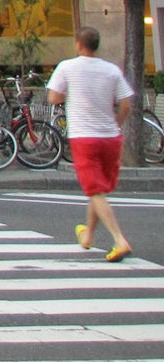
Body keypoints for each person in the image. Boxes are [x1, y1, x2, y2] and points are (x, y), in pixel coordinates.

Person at [48, 26, 135, 262]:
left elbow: (53, 97)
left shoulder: (67, 67)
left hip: (84, 136)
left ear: (78, 44)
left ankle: (119, 239)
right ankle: (88, 235)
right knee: (98, 189)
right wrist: (117, 123)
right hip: (110, 137)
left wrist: (73, 95)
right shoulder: (111, 70)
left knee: (94, 190)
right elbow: (126, 103)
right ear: (97, 45)